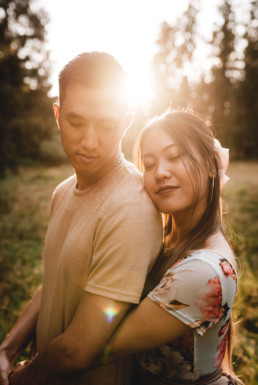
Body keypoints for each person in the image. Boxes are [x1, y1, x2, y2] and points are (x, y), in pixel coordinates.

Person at [0, 52, 163, 385]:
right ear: (58, 116)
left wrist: (19, 379)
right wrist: (7, 349)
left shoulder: (132, 208)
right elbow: (60, 278)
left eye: (106, 125)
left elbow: (79, 350)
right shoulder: (62, 192)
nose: (90, 142)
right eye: (76, 122)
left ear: (126, 122)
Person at [94, 110, 240, 385]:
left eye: (175, 157)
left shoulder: (204, 272)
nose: (160, 173)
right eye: (149, 164)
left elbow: (96, 346)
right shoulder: (163, 239)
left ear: (211, 165)